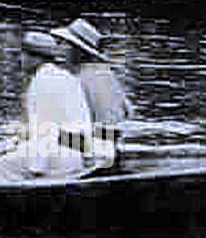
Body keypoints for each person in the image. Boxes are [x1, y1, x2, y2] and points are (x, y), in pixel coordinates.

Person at [50, 19, 132, 161]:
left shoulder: (84, 77)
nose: (58, 48)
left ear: (78, 49)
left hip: (91, 150)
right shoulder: (104, 73)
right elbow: (126, 111)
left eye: (64, 44)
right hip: (103, 144)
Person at [17, 31, 92, 177]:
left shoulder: (40, 83)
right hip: (75, 153)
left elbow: (44, 131)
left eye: (25, 54)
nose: (21, 59)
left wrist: (35, 170)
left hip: (58, 157)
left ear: (36, 58)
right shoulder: (66, 76)